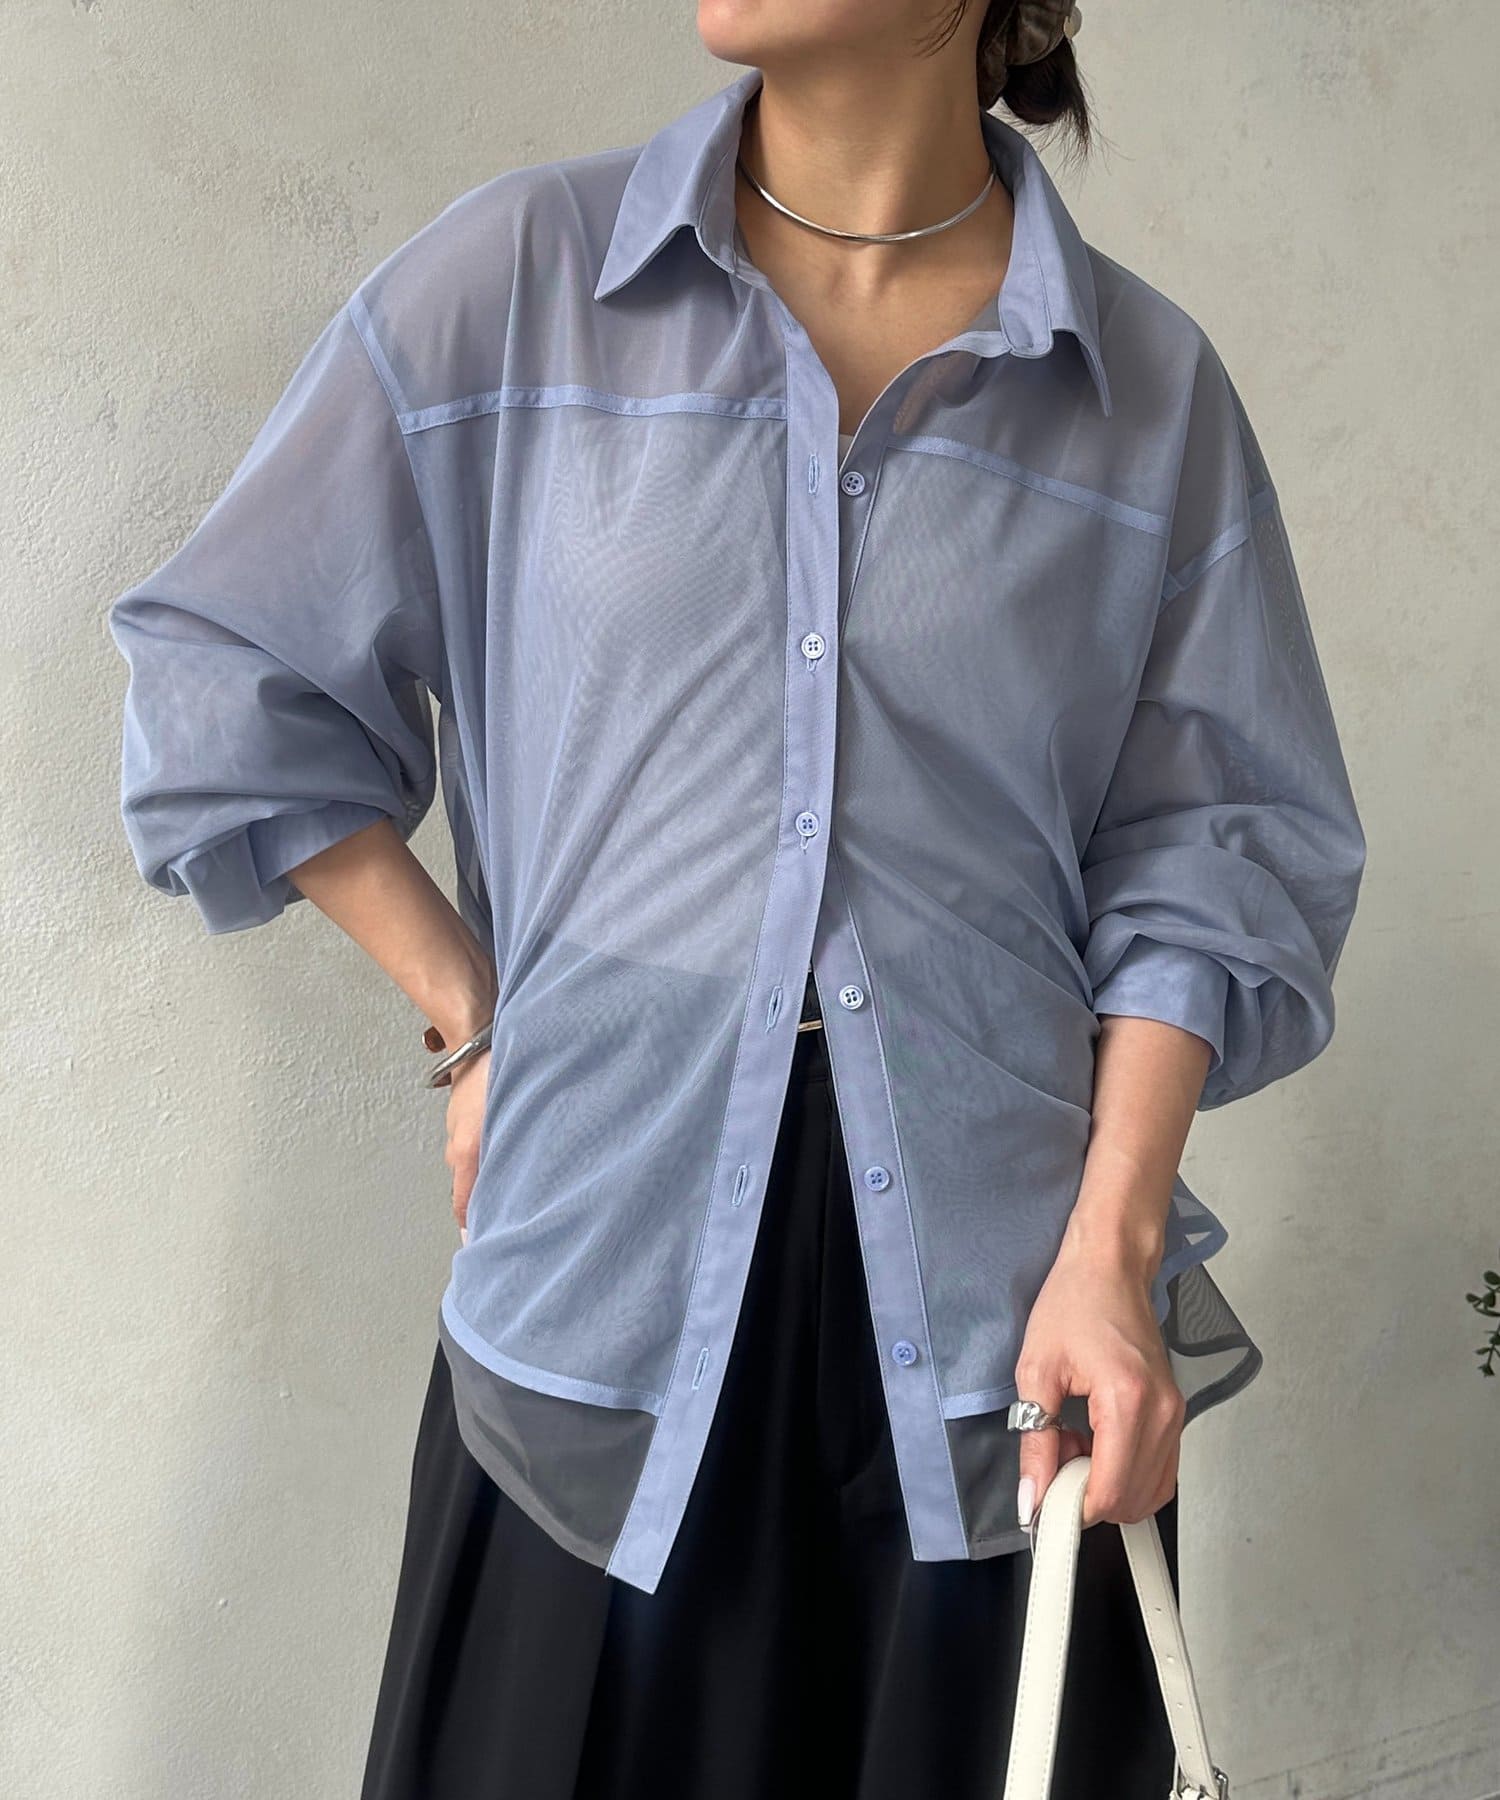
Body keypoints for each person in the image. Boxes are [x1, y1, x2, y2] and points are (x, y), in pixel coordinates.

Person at [106, 2, 1366, 1795]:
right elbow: (228, 665)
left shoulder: (1145, 395)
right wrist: (472, 1019)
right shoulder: (518, 287)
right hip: (600, 1280)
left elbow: (1216, 848)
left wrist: (1112, 1246)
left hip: (1008, 1330)